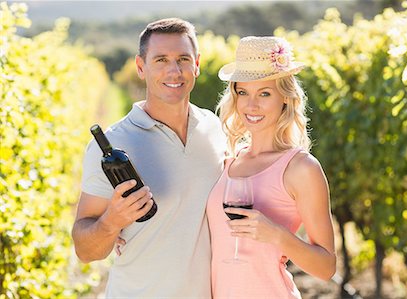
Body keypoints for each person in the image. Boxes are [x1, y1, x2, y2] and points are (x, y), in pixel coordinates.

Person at [72, 18, 226, 298]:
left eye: (183, 59)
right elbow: (84, 250)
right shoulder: (113, 144)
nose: (174, 70)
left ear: (197, 64)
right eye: (161, 60)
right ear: (141, 67)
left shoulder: (214, 128)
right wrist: (111, 221)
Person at [206, 36, 336, 298]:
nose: (251, 105)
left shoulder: (301, 169)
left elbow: (327, 268)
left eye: (264, 93)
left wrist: (277, 235)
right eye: (243, 92)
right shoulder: (227, 161)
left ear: (285, 98)